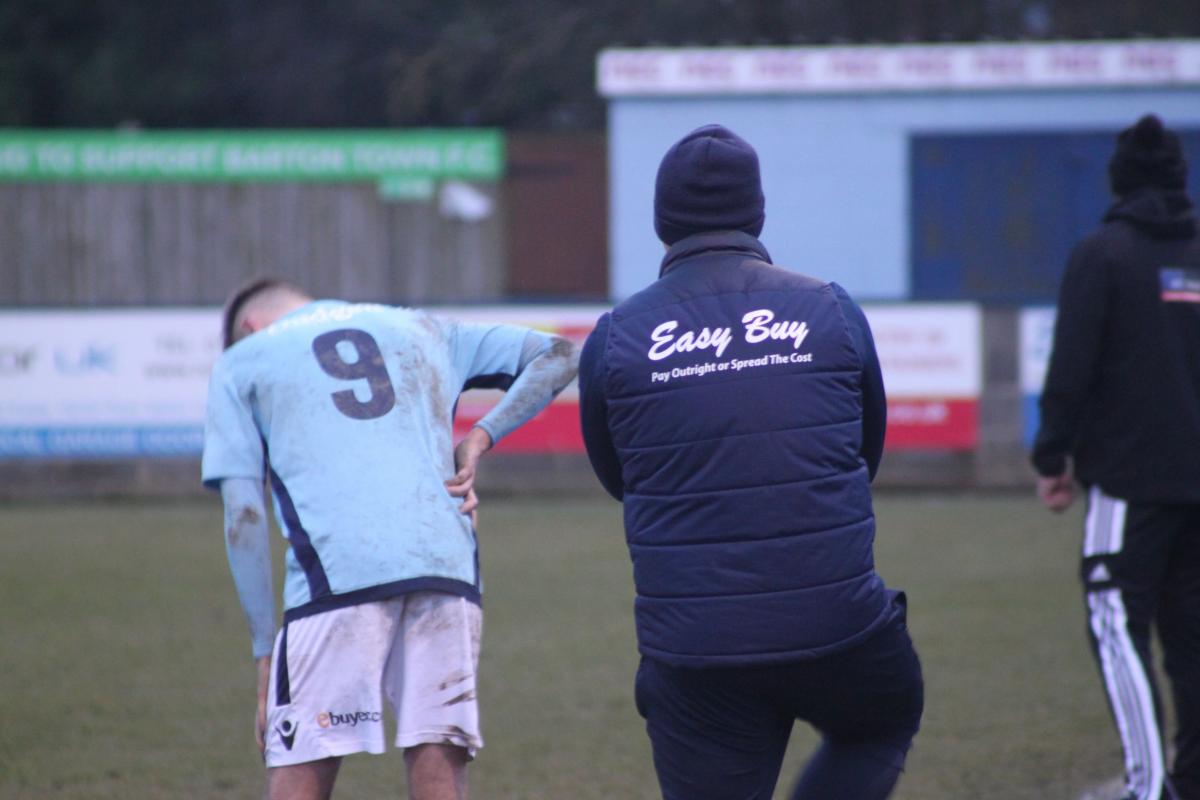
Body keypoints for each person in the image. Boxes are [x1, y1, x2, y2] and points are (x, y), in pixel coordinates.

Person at [577, 124, 923, 800]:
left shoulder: (616, 337)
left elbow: (621, 478)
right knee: (881, 718)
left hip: (695, 649)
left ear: (661, 222)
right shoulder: (830, 308)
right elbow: (863, 454)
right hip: (839, 627)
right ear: (757, 214)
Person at [201, 279, 578, 800]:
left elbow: (243, 513)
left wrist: (265, 653)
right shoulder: (424, 326)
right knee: (438, 768)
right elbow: (561, 354)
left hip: (335, 579)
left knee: (301, 771)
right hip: (446, 567)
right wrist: (480, 437)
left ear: (250, 326)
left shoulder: (240, 361)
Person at [1032, 114, 1200, 800]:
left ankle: (1148, 785)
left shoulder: (1103, 254)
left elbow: (1071, 367)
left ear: (1119, 181)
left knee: (1116, 623)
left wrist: (1052, 458)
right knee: (1192, 636)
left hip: (1130, 485)